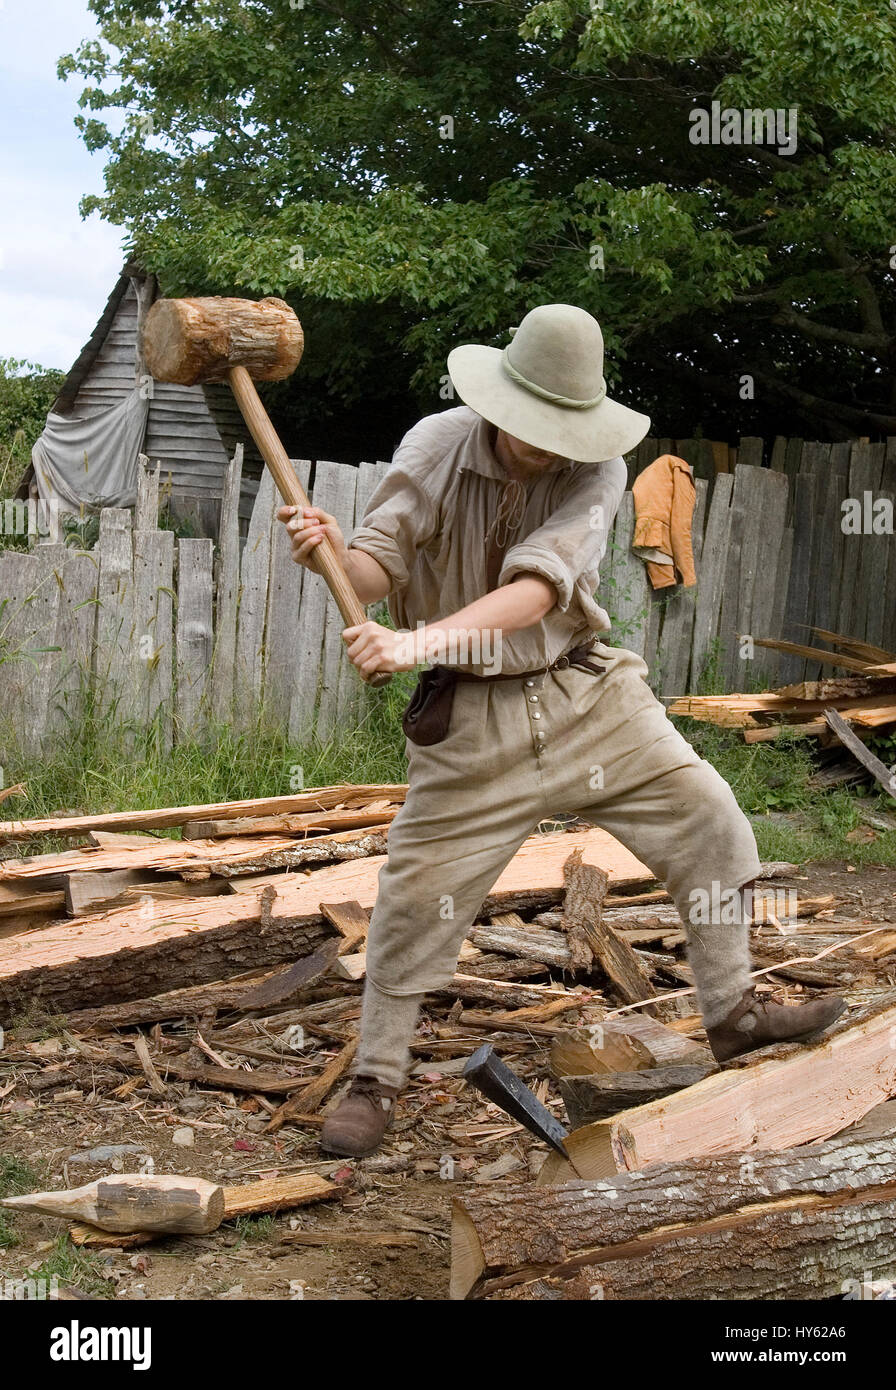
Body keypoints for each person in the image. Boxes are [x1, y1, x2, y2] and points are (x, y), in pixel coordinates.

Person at [278, 304, 844, 1157]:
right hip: (469, 723)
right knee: (410, 899)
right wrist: (327, 551)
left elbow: (537, 593)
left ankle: (733, 1014)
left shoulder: (601, 467)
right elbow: (376, 566)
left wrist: (414, 642)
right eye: (532, 425)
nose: (546, 443)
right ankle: (376, 1079)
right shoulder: (435, 443)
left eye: (563, 428)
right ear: (497, 401)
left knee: (712, 817)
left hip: (587, 695)